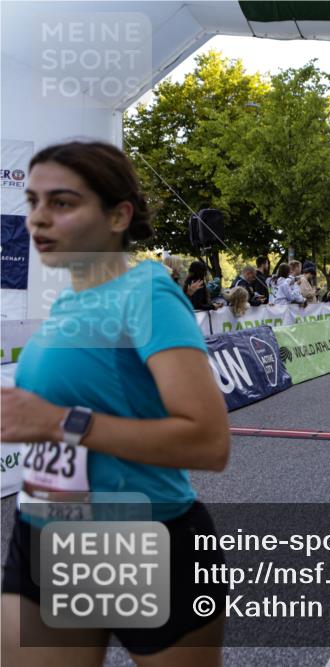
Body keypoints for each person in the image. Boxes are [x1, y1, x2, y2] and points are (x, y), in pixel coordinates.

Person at [2, 141, 229, 664]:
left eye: (61, 202)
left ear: (118, 215)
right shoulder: (70, 301)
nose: (38, 218)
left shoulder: (145, 292)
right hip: (45, 533)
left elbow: (209, 442)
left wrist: (62, 421)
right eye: (33, 201)